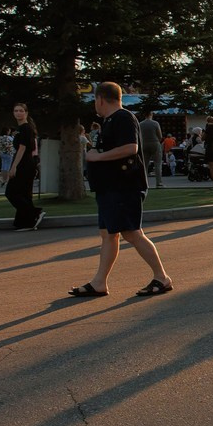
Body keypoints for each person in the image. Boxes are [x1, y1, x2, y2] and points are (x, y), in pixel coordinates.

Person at [70, 82, 171, 297]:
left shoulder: (123, 117)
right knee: (108, 234)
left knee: (132, 233)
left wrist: (98, 156)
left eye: (95, 101)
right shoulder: (109, 121)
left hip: (124, 187)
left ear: (100, 99)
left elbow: (130, 148)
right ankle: (99, 283)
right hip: (110, 187)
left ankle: (162, 277)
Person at [4, 103, 45, 230]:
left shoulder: (26, 128)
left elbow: (22, 148)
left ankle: (34, 213)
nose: (18, 113)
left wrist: (13, 167)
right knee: (24, 193)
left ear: (26, 113)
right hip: (25, 162)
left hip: (24, 163)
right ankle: (26, 222)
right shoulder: (21, 128)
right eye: (16, 110)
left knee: (11, 192)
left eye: (21, 110)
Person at [139, 110, 164, 189]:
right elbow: (160, 136)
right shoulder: (155, 123)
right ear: (151, 114)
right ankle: (159, 183)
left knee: (144, 165)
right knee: (157, 164)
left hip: (144, 144)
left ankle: (144, 184)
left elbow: (138, 136)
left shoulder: (140, 124)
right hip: (154, 143)